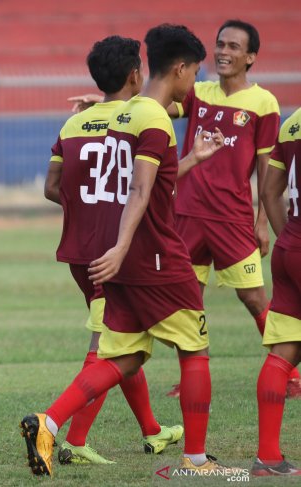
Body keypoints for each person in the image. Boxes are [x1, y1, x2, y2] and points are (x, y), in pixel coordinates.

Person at [20, 24, 226, 477]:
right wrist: (121, 246)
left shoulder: (116, 116)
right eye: (195, 73)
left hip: (112, 256)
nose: (194, 83)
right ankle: (195, 460)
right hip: (150, 254)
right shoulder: (150, 117)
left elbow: (132, 186)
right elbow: (137, 189)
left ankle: (49, 423)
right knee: (195, 350)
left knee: (123, 357)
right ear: (181, 68)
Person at [43, 35, 182, 466]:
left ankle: (153, 431)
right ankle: (74, 438)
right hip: (118, 252)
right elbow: (144, 180)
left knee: (124, 339)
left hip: (78, 252)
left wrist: (84, 204)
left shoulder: (72, 124)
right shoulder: (139, 119)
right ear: (135, 74)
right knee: (108, 346)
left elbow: (51, 187)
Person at [166, 19, 300, 398]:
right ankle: (189, 374)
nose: (223, 52)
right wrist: (110, 103)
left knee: (254, 296)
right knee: (187, 297)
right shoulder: (198, 92)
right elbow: (156, 103)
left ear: (251, 57)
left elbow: (266, 169)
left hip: (232, 219)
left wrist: (261, 221)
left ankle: (288, 373)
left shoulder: (263, 102)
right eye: (220, 44)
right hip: (187, 216)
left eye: (233, 47)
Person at [252, 107, 301, 476]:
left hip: (290, 248)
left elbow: (270, 191)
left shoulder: (292, 122)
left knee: (283, 355)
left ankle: (268, 458)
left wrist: (288, 238)